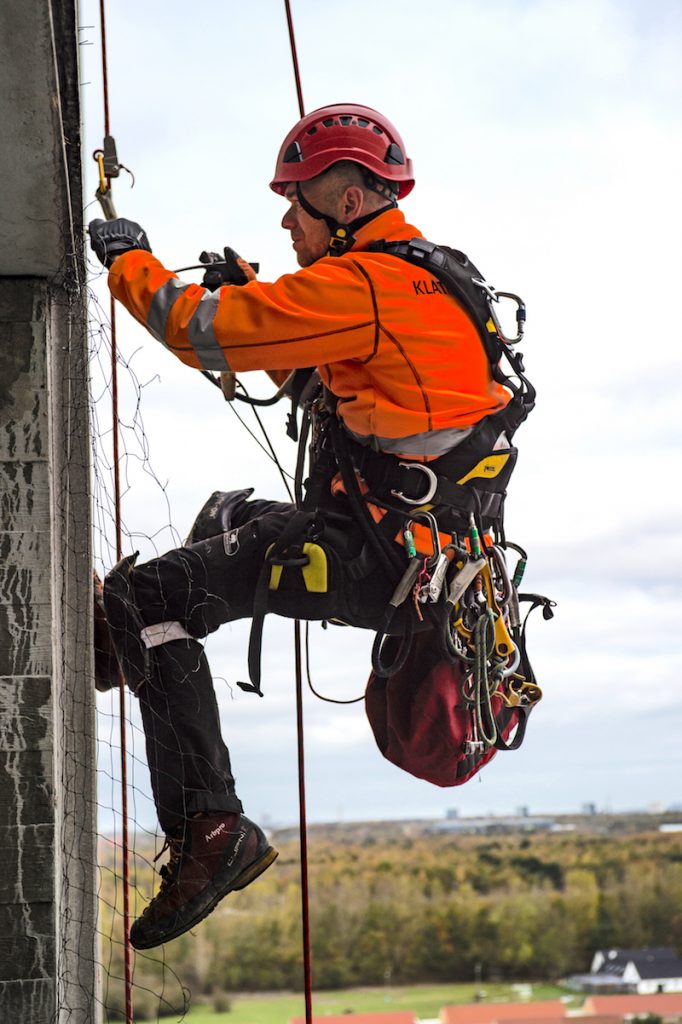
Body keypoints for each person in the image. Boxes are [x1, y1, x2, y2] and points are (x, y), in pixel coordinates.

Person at [89, 103, 514, 950]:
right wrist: (254, 289)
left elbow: (200, 332)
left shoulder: (365, 285)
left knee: (147, 599)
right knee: (221, 539)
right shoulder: (424, 276)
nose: (287, 219)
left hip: (373, 556)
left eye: (297, 202)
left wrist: (129, 260)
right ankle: (125, 657)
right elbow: (325, 364)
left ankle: (211, 828)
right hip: (410, 558)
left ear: (347, 202)